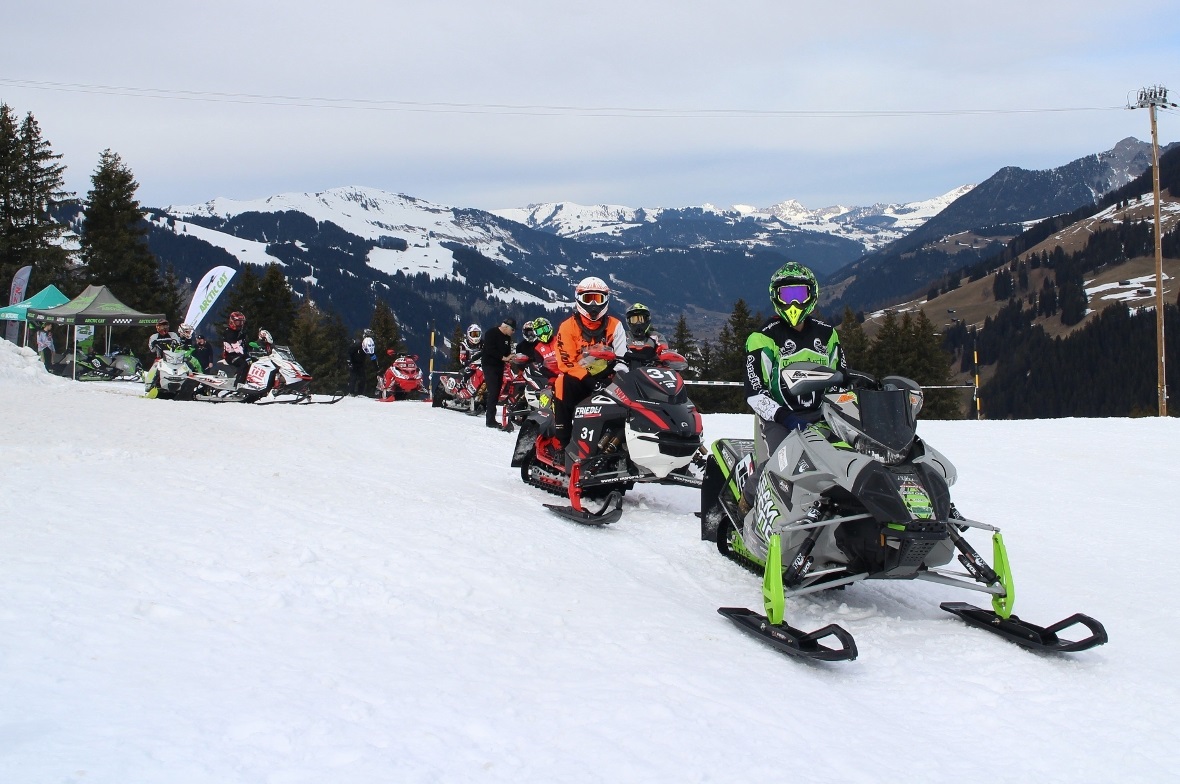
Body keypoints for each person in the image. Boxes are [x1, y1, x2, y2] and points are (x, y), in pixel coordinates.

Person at [738, 262, 847, 514]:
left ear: (812, 295)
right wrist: (784, 417)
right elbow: (754, 392)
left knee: (845, 458)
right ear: (776, 297)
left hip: (823, 414)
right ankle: (748, 499)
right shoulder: (762, 338)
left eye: (800, 295)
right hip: (779, 417)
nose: (793, 304)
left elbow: (841, 376)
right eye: (787, 296)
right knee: (784, 462)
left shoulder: (827, 334)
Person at [553, 277, 628, 450]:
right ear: (579, 299)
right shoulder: (567, 327)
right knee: (562, 383)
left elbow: (622, 358)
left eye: (598, 298)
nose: (594, 304)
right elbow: (566, 361)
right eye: (588, 298)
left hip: (607, 378)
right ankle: (563, 443)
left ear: (606, 300)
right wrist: (588, 380)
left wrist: (615, 378)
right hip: (578, 378)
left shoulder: (615, 326)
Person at [481, 317, 517, 428]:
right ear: (506, 327)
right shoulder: (491, 333)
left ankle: (492, 417)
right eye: (512, 330)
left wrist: (510, 358)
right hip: (489, 365)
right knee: (493, 391)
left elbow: (507, 352)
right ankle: (490, 420)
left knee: (497, 391)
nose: (513, 332)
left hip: (500, 366)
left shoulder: (507, 338)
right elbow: (490, 350)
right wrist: (504, 358)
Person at [222, 311, 251, 383]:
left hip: (240, 354)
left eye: (241, 322)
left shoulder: (241, 332)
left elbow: (245, 344)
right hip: (231, 356)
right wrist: (245, 356)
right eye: (238, 322)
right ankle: (238, 383)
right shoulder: (229, 332)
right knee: (244, 363)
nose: (240, 324)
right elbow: (236, 347)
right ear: (232, 321)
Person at [347, 328, 377, 396]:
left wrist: (376, 368)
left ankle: (360, 394)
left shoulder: (369, 344)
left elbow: (372, 355)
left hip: (361, 363)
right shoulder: (357, 345)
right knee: (353, 378)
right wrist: (349, 362)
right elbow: (349, 352)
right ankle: (351, 393)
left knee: (362, 379)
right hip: (354, 362)